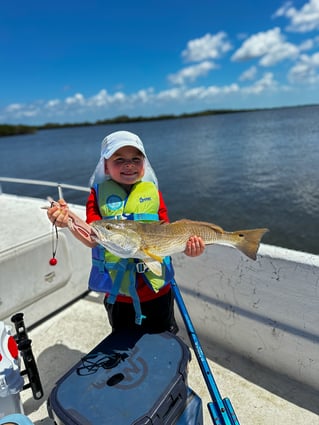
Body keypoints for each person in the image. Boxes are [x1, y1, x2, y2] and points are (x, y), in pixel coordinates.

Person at [47, 130, 205, 334]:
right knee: (123, 342)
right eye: (119, 159)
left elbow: (166, 233)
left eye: (135, 159)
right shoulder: (97, 196)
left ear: (144, 164)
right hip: (119, 295)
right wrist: (67, 220)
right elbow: (93, 237)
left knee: (164, 335)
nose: (128, 165)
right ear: (105, 165)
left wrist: (190, 248)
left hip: (158, 291)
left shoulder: (153, 193)